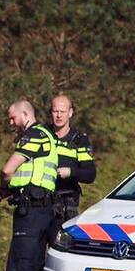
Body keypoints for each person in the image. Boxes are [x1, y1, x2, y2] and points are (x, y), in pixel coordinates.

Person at [0, 100, 64, 271]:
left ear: (25, 114)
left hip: (32, 211)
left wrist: (3, 186)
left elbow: (8, 169)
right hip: (45, 209)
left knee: (20, 264)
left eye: (12, 117)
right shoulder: (48, 136)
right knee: (36, 264)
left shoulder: (34, 135)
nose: (10, 123)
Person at [48, 94, 96, 229]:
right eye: (55, 111)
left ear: (70, 113)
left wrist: (70, 172)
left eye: (62, 112)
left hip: (65, 205)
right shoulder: (42, 135)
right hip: (41, 203)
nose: (58, 115)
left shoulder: (79, 140)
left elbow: (90, 174)